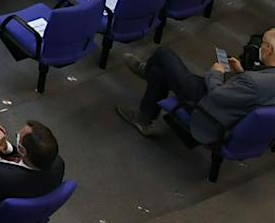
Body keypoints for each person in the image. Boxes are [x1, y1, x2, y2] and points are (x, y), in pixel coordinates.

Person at [118, 26, 275, 141]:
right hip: (235, 106)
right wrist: (241, 72)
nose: (259, 46)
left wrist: (216, 72)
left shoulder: (253, 81)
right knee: (161, 73)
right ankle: (143, 118)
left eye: (262, 44)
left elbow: (216, 95)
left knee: (163, 55)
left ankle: (146, 72)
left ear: (268, 49)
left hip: (210, 111)